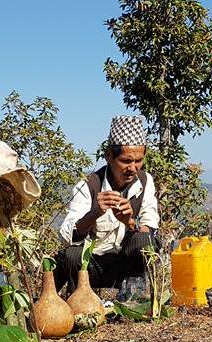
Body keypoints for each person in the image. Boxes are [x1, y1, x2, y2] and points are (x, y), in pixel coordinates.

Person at [55, 115, 159, 293]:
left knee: (144, 241)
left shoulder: (145, 181)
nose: (133, 168)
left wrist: (130, 222)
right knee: (71, 255)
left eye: (138, 161)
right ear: (109, 156)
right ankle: (79, 302)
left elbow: (150, 229)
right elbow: (66, 237)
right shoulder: (88, 186)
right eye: (126, 161)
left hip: (125, 265)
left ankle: (134, 298)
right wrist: (94, 213)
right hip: (93, 266)